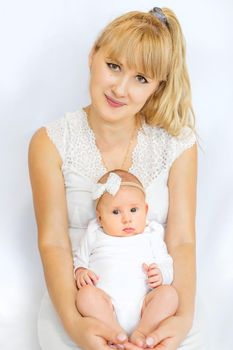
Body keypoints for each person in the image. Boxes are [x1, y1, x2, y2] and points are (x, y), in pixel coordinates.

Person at [28, 6, 204, 350]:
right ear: (93, 55)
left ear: (157, 86)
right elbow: (53, 242)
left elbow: (182, 240)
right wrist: (77, 324)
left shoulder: (178, 143)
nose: (120, 89)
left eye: (141, 79)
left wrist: (180, 319)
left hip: (159, 307)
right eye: (114, 66)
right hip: (80, 304)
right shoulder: (49, 142)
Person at [74, 170, 178, 348]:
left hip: (144, 305)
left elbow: (166, 263)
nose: (127, 219)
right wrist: (81, 272)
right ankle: (115, 333)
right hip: (107, 305)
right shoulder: (94, 233)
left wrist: (161, 274)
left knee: (169, 295)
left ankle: (142, 333)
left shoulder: (152, 234)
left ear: (145, 210)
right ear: (100, 217)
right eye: (115, 212)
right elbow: (79, 260)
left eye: (133, 210)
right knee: (85, 296)